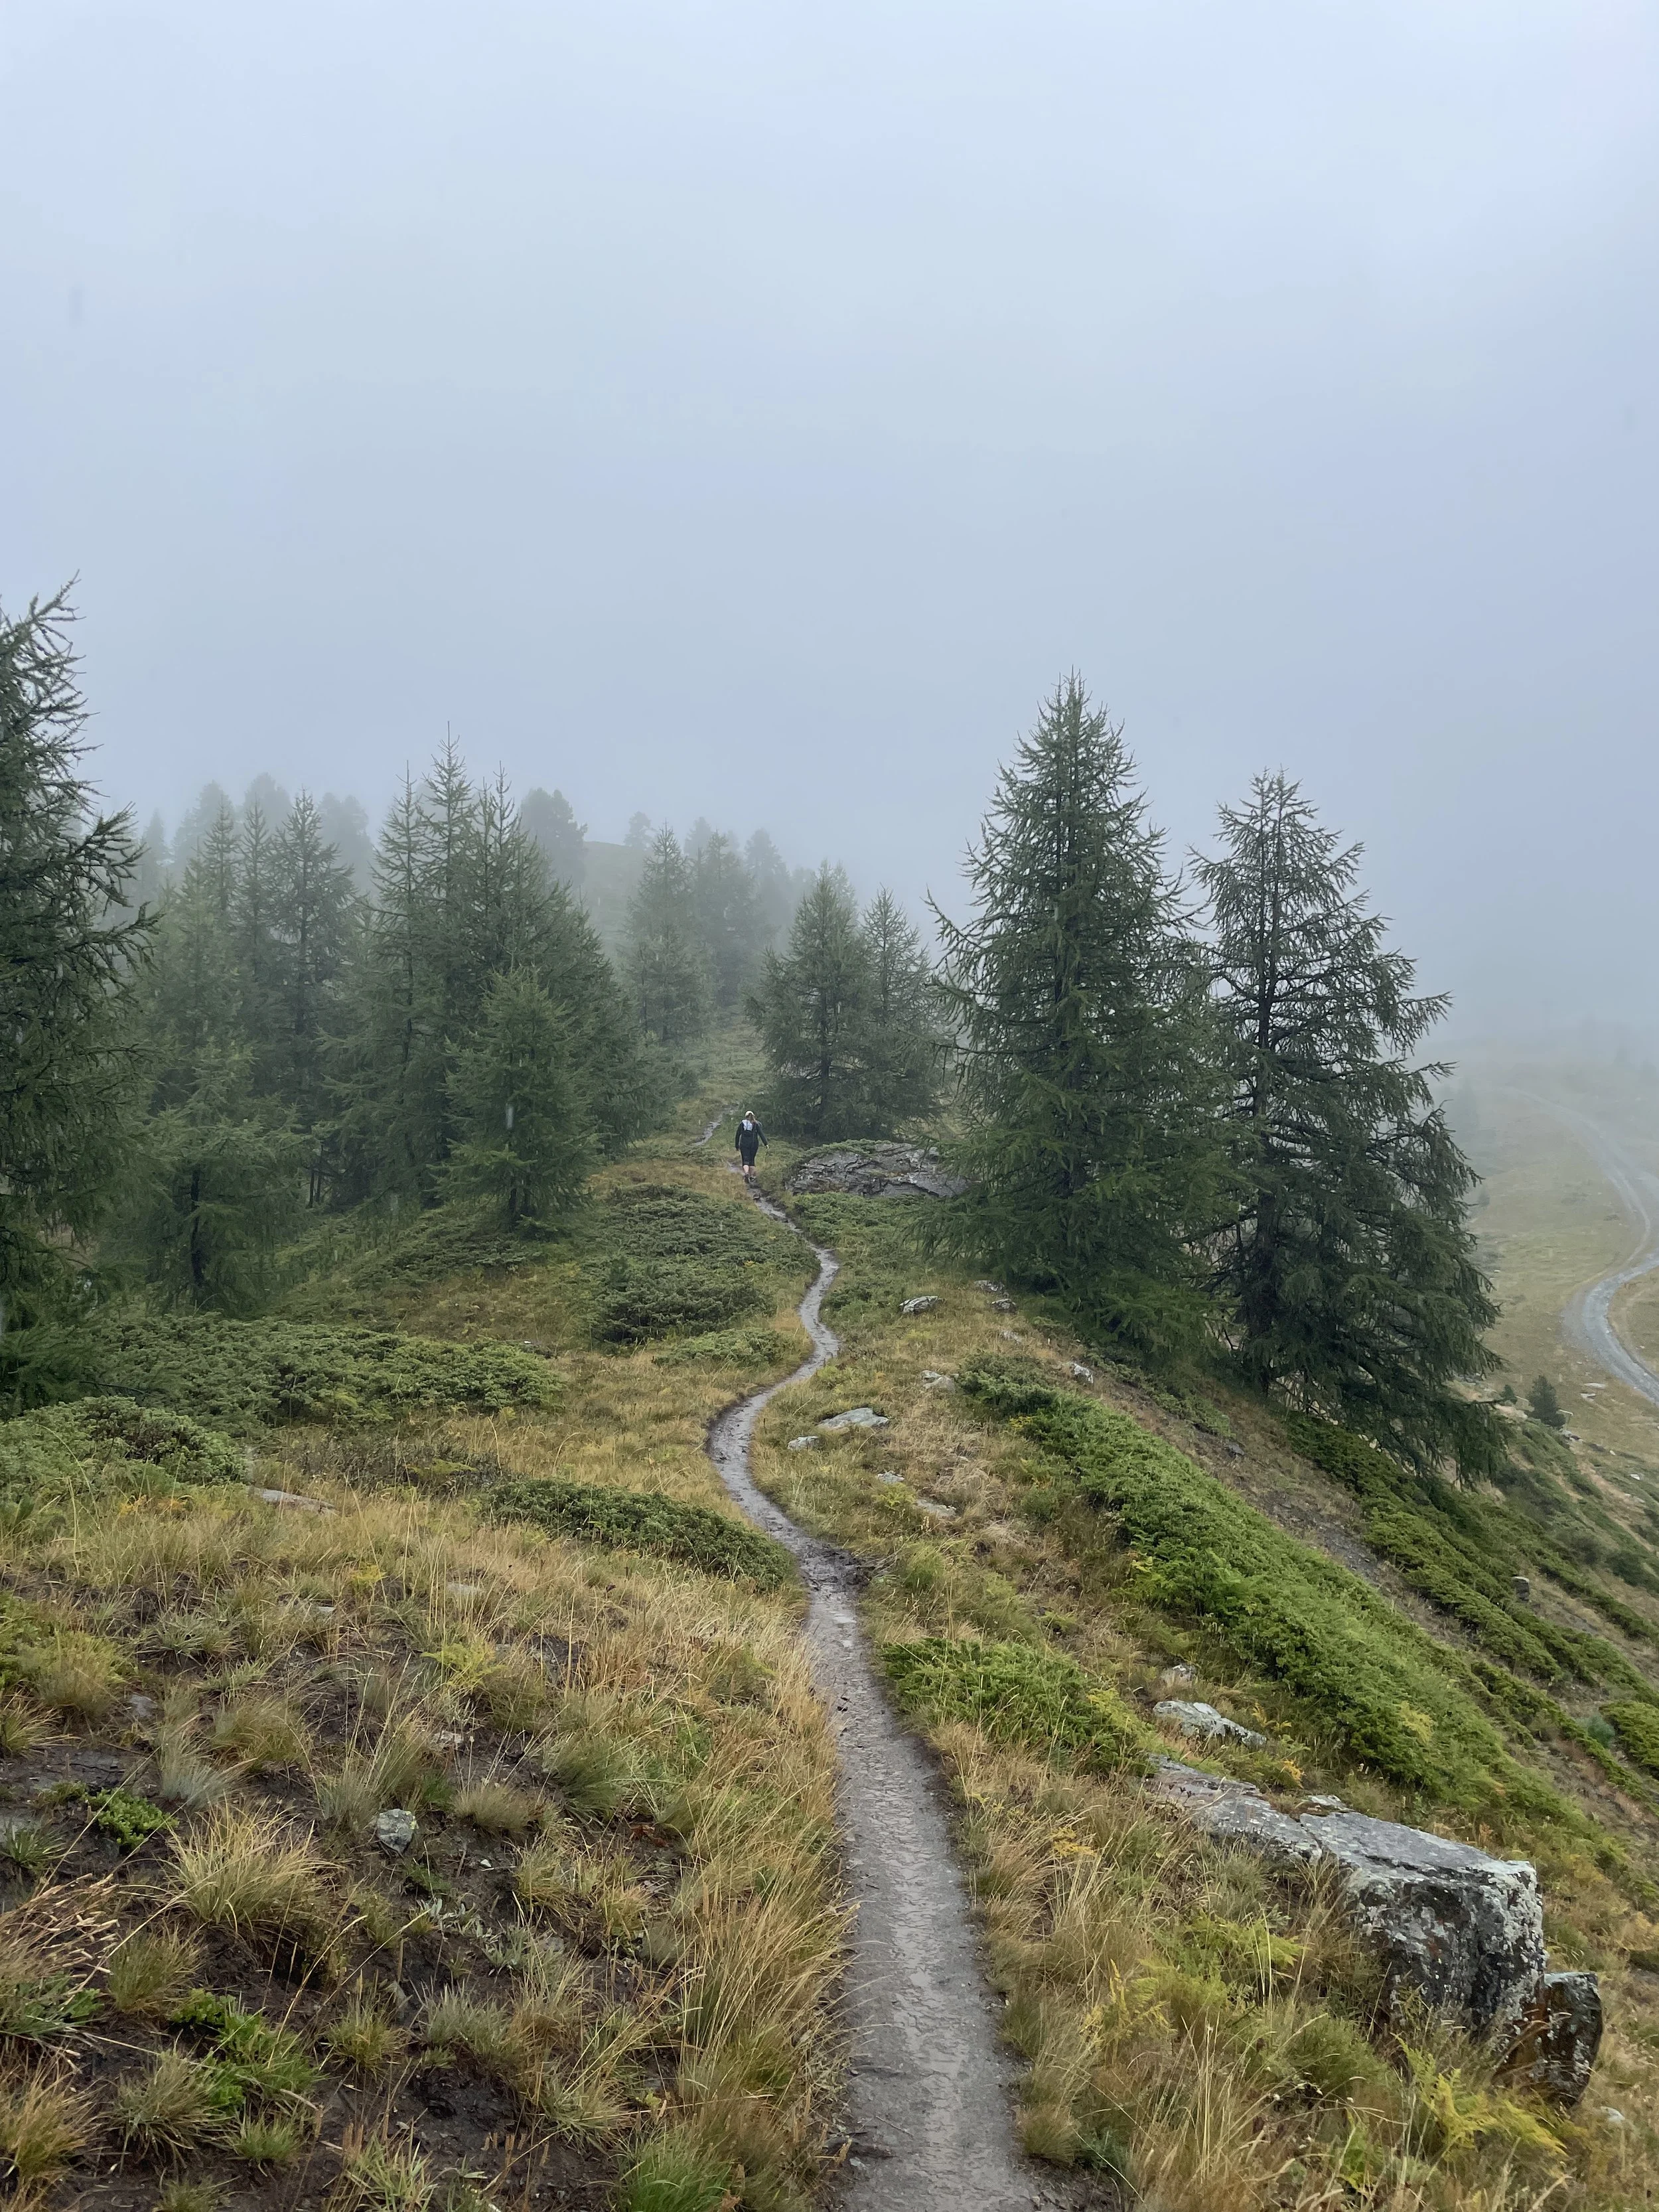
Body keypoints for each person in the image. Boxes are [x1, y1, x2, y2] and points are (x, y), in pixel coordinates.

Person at [735, 1109, 766, 1183]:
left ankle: (746, 1174)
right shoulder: (756, 1124)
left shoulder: (742, 1124)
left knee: (745, 1160)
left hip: (744, 1144)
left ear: (746, 1117)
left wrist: (737, 1146)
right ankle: (751, 1177)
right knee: (752, 1160)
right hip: (754, 1144)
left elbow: (738, 1135)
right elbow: (761, 1134)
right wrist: (766, 1143)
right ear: (753, 1116)